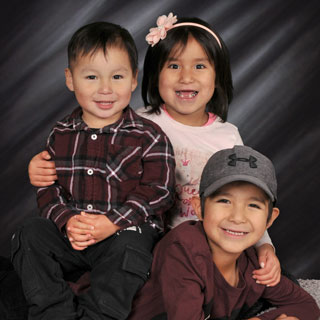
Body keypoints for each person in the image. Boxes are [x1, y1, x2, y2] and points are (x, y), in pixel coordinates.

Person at [27, 13, 280, 286]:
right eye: (173, 66)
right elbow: (88, 153)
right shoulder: (139, 124)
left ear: (218, 75)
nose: (186, 77)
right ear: (153, 73)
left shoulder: (227, 137)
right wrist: (41, 165)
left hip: (211, 247)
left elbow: (247, 198)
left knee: (267, 281)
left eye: (199, 66)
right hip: (150, 245)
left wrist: (265, 246)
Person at [11, 21, 176, 320]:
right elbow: (49, 189)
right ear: (70, 79)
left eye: (116, 76)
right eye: (91, 76)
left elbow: (159, 191)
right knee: (28, 233)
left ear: (133, 79)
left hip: (121, 232)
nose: (105, 89)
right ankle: (53, 313)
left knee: (131, 246)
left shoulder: (148, 135)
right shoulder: (60, 133)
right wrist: (68, 221)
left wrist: (112, 223)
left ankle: (96, 316)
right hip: (72, 236)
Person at [129, 145, 320, 320]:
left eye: (253, 205)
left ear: (269, 219)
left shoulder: (253, 264)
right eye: (224, 201)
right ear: (199, 208)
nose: (238, 217)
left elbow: (306, 305)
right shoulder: (182, 249)